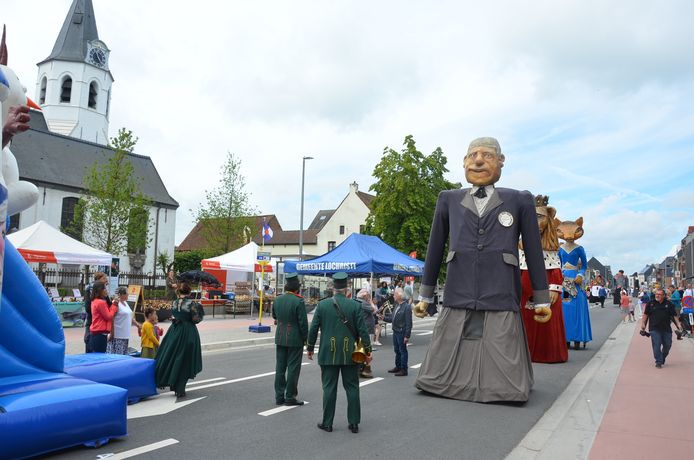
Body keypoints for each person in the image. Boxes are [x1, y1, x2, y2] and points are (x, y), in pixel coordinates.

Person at [413, 137, 550, 403]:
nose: (478, 160)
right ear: (464, 162)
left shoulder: (519, 199)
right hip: (459, 284)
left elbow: (534, 251)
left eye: (487, 155)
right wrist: (425, 295)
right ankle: (442, 381)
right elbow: (434, 247)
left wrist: (541, 298)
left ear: (501, 161)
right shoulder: (448, 199)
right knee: (451, 337)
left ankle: (503, 388)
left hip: (500, 286)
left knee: (500, 340)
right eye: (472, 155)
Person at [307, 272, 372, 433]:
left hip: (328, 352)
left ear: (333, 288)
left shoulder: (322, 305)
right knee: (352, 387)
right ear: (347, 288)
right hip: (351, 353)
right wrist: (368, 351)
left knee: (329, 388)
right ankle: (354, 423)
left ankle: (327, 423)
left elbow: (313, 328)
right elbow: (363, 331)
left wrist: (309, 348)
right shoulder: (355, 305)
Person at [519, 195, 568, 363]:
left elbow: (555, 269)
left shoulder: (551, 246)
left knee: (547, 320)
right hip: (524, 287)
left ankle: (547, 353)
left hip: (546, 286)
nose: (534, 221)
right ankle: (527, 353)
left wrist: (554, 288)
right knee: (526, 319)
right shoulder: (519, 244)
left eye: (539, 217)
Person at [155, 282, 203, 398]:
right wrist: (198, 308)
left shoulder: (175, 302)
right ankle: (180, 388)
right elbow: (196, 319)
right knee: (185, 359)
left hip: (175, 331)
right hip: (188, 332)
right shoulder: (192, 304)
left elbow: (175, 315)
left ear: (179, 292)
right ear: (189, 292)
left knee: (173, 356)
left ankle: (174, 384)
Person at [272, 273, 308, 406]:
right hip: (294, 338)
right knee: (293, 368)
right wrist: (306, 339)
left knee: (280, 368)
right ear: (297, 289)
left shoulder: (278, 299)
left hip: (280, 336)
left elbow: (274, 316)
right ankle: (290, 396)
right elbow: (303, 323)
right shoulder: (298, 301)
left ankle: (279, 396)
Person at [557, 217, 593, 350]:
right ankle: (566, 337)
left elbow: (584, 265)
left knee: (577, 308)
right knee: (565, 307)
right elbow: (557, 263)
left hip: (576, 280)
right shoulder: (560, 249)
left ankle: (578, 337)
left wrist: (580, 275)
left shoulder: (579, 249)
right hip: (563, 279)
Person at [640, 288, 684, 368]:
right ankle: (658, 361)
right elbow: (645, 315)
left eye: (659, 294)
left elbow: (674, 316)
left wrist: (679, 325)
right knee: (656, 345)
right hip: (654, 328)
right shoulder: (651, 303)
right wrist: (643, 324)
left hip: (666, 328)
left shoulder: (669, 304)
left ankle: (662, 357)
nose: (657, 296)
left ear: (664, 296)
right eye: (656, 294)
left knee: (667, 345)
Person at [106, 286, 141, 355]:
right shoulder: (115, 303)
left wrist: (137, 324)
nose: (128, 295)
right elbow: (111, 318)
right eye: (127, 293)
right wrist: (112, 332)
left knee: (123, 355)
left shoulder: (125, 303)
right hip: (117, 335)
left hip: (125, 335)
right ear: (121, 295)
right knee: (117, 356)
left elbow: (129, 316)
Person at [388, 287, 412, 376]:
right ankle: (398, 366)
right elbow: (392, 318)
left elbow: (409, 323)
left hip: (401, 332)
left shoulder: (406, 307)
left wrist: (407, 335)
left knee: (402, 350)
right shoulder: (397, 305)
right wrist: (383, 318)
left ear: (399, 295)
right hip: (395, 330)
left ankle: (404, 369)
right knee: (397, 350)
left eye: (394, 294)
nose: (393, 296)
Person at [88, 281, 118, 353]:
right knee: (99, 356)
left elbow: (107, 313)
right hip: (99, 334)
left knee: (96, 355)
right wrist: (114, 305)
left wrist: (113, 305)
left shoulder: (95, 301)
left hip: (97, 334)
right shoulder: (101, 302)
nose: (106, 290)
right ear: (99, 290)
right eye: (104, 289)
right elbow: (108, 316)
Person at [84, 271, 108, 352]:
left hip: (100, 323)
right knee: (89, 342)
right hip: (92, 320)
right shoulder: (89, 289)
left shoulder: (103, 291)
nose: (106, 280)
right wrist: (99, 310)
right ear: (98, 279)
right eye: (104, 278)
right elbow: (87, 308)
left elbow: (109, 304)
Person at [356, 288, 377, 378]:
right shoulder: (363, 303)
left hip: (363, 328)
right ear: (364, 296)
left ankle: (362, 368)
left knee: (361, 348)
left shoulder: (357, 301)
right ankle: (364, 368)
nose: (368, 296)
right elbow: (374, 310)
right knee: (366, 348)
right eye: (367, 294)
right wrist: (370, 301)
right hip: (366, 329)